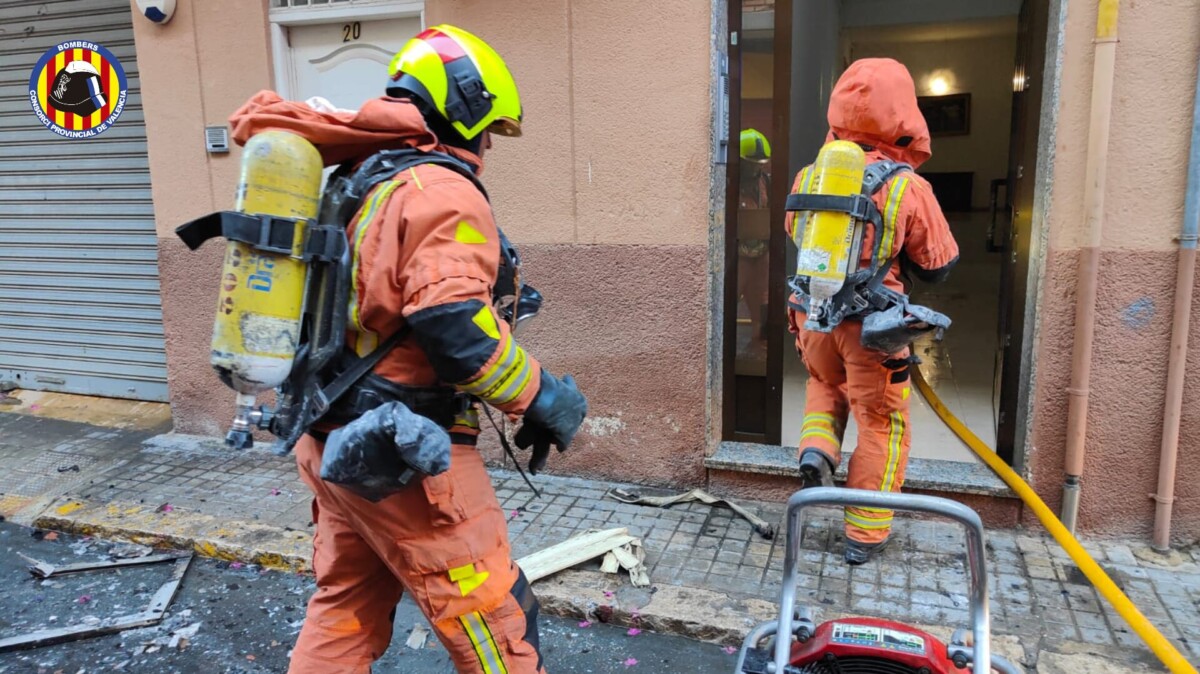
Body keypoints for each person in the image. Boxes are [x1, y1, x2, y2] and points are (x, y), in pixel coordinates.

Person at [227, 25, 587, 673]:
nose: (485, 148)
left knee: (345, 606)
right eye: (487, 131)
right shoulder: (438, 190)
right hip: (408, 458)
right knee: (493, 618)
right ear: (467, 106)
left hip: (334, 442)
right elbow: (455, 329)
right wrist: (541, 397)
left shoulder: (361, 178)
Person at [785, 58, 959, 565]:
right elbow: (938, 264)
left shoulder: (810, 173)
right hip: (872, 330)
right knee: (882, 422)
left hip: (811, 318)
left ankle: (816, 454)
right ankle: (865, 532)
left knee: (824, 386)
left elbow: (797, 234)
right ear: (906, 118)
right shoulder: (907, 186)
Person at [737, 128, 772, 359]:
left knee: (762, 299)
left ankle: (759, 341)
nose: (756, 167)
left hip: (762, 251)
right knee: (733, 296)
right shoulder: (729, 182)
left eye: (760, 163)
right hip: (737, 253)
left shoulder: (765, 182)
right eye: (751, 163)